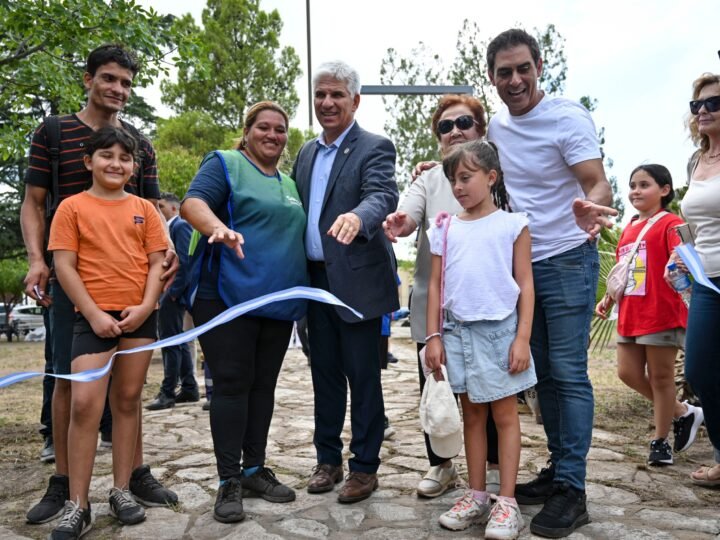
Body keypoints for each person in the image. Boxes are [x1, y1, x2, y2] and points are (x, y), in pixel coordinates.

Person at [21, 44, 178, 526]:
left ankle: (131, 477)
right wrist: (36, 260)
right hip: (73, 275)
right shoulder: (53, 131)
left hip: (131, 281)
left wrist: (166, 257)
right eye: (109, 79)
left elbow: (153, 210)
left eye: (126, 83)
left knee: (129, 391)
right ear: (87, 79)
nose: (117, 89)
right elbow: (33, 200)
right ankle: (66, 486)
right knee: (69, 383)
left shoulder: (139, 144)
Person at [485, 29, 615, 537]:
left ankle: (573, 489)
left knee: (567, 372)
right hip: (521, 268)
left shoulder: (567, 116)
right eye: (504, 72)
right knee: (540, 380)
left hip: (565, 260)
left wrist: (592, 206)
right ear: (493, 77)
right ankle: (559, 470)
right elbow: (476, 164)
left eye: (523, 69)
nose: (515, 80)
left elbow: (596, 180)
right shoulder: (497, 125)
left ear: (540, 66)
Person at [181, 101, 308, 523]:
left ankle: (255, 469)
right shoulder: (227, 164)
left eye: (280, 130)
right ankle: (228, 480)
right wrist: (215, 227)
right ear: (248, 129)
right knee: (233, 383)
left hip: (276, 301)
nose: (272, 135)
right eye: (264, 128)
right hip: (225, 296)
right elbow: (192, 203)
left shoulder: (289, 183)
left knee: (262, 386)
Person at [47, 126, 169, 538]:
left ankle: (121, 490)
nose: (115, 163)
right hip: (93, 318)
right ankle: (77, 504)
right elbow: (64, 266)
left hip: (138, 317)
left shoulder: (145, 209)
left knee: (128, 399)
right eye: (106, 156)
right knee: (84, 403)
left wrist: (147, 306)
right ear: (88, 162)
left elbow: (157, 264)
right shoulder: (71, 208)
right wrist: (94, 313)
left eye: (124, 158)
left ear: (133, 167)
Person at [292, 60, 399, 503]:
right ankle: (328, 460)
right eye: (320, 94)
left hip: (356, 284)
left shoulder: (375, 146)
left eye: (337, 94)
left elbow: (382, 195)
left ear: (355, 100)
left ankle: (365, 467)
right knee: (324, 375)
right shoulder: (305, 152)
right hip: (314, 282)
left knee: (363, 376)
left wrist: (359, 216)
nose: (327, 102)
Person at [384, 94, 500, 498]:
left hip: (485, 302)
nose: (454, 131)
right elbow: (410, 212)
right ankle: (442, 465)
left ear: (481, 129)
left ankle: (495, 468)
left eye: (463, 123)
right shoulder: (429, 179)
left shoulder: (497, 174)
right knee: (435, 385)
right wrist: (401, 221)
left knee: (489, 384)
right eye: (445, 127)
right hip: (433, 301)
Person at [425, 140, 535, 539]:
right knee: (472, 415)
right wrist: (433, 335)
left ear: (491, 177)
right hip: (456, 332)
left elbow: (526, 284)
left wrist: (522, 338)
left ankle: (506, 502)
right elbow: (436, 285)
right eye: (453, 179)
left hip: (500, 333)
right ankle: (476, 496)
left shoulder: (512, 224)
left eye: (466, 177)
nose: (458, 187)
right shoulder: (445, 227)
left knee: (505, 417)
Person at [596, 165, 703, 465]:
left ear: (665, 190)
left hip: (661, 311)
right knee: (627, 372)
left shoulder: (671, 223)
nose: (636, 191)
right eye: (632, 185)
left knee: (661, 377)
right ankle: (683, 412)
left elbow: (683, 254)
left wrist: (677, 255)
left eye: (644, 185)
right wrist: (607, 297)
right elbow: (623, 269)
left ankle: (660, 442)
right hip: (630, 311)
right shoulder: (629, 228)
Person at [669, 72, 720, 487]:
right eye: (697, 105)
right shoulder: (696, 160)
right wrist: (683, 251)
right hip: (707, 281)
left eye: (714, 103)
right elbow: (695, 223)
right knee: (701, 371)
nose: (703, 110)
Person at [146, 193, 200, 410]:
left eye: (161, 206)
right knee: (178, 340)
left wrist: (174, 293)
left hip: (173, 294)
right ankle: (189, 387)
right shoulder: (167, 230)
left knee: (170, 343)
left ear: (174, 209)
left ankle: (168, 392)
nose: (157, 210)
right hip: (169, 294)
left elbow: (187, 261)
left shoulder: (179, 227)